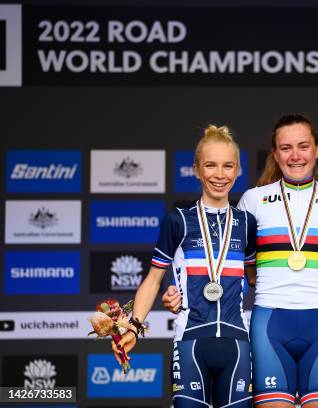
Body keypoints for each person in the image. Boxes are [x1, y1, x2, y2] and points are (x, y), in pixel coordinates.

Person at [165, 114, 318, 407]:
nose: (295, 155)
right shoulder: (253, 200)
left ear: (317, 149)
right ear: (275, 154)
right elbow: (235, 263)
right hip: (269, 325)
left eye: (303, 146)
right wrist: (180, 292)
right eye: (286, 147)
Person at [113, 125, 257, 408]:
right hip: (190, 341)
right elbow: (153, 280)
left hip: (237, 343)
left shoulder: (247, 223)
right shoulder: (177, 220)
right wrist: (133, 327)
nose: (220, 174)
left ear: (238, 170)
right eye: (210, 166)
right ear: (196, 170)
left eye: (228, 166)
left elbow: (254, 277)